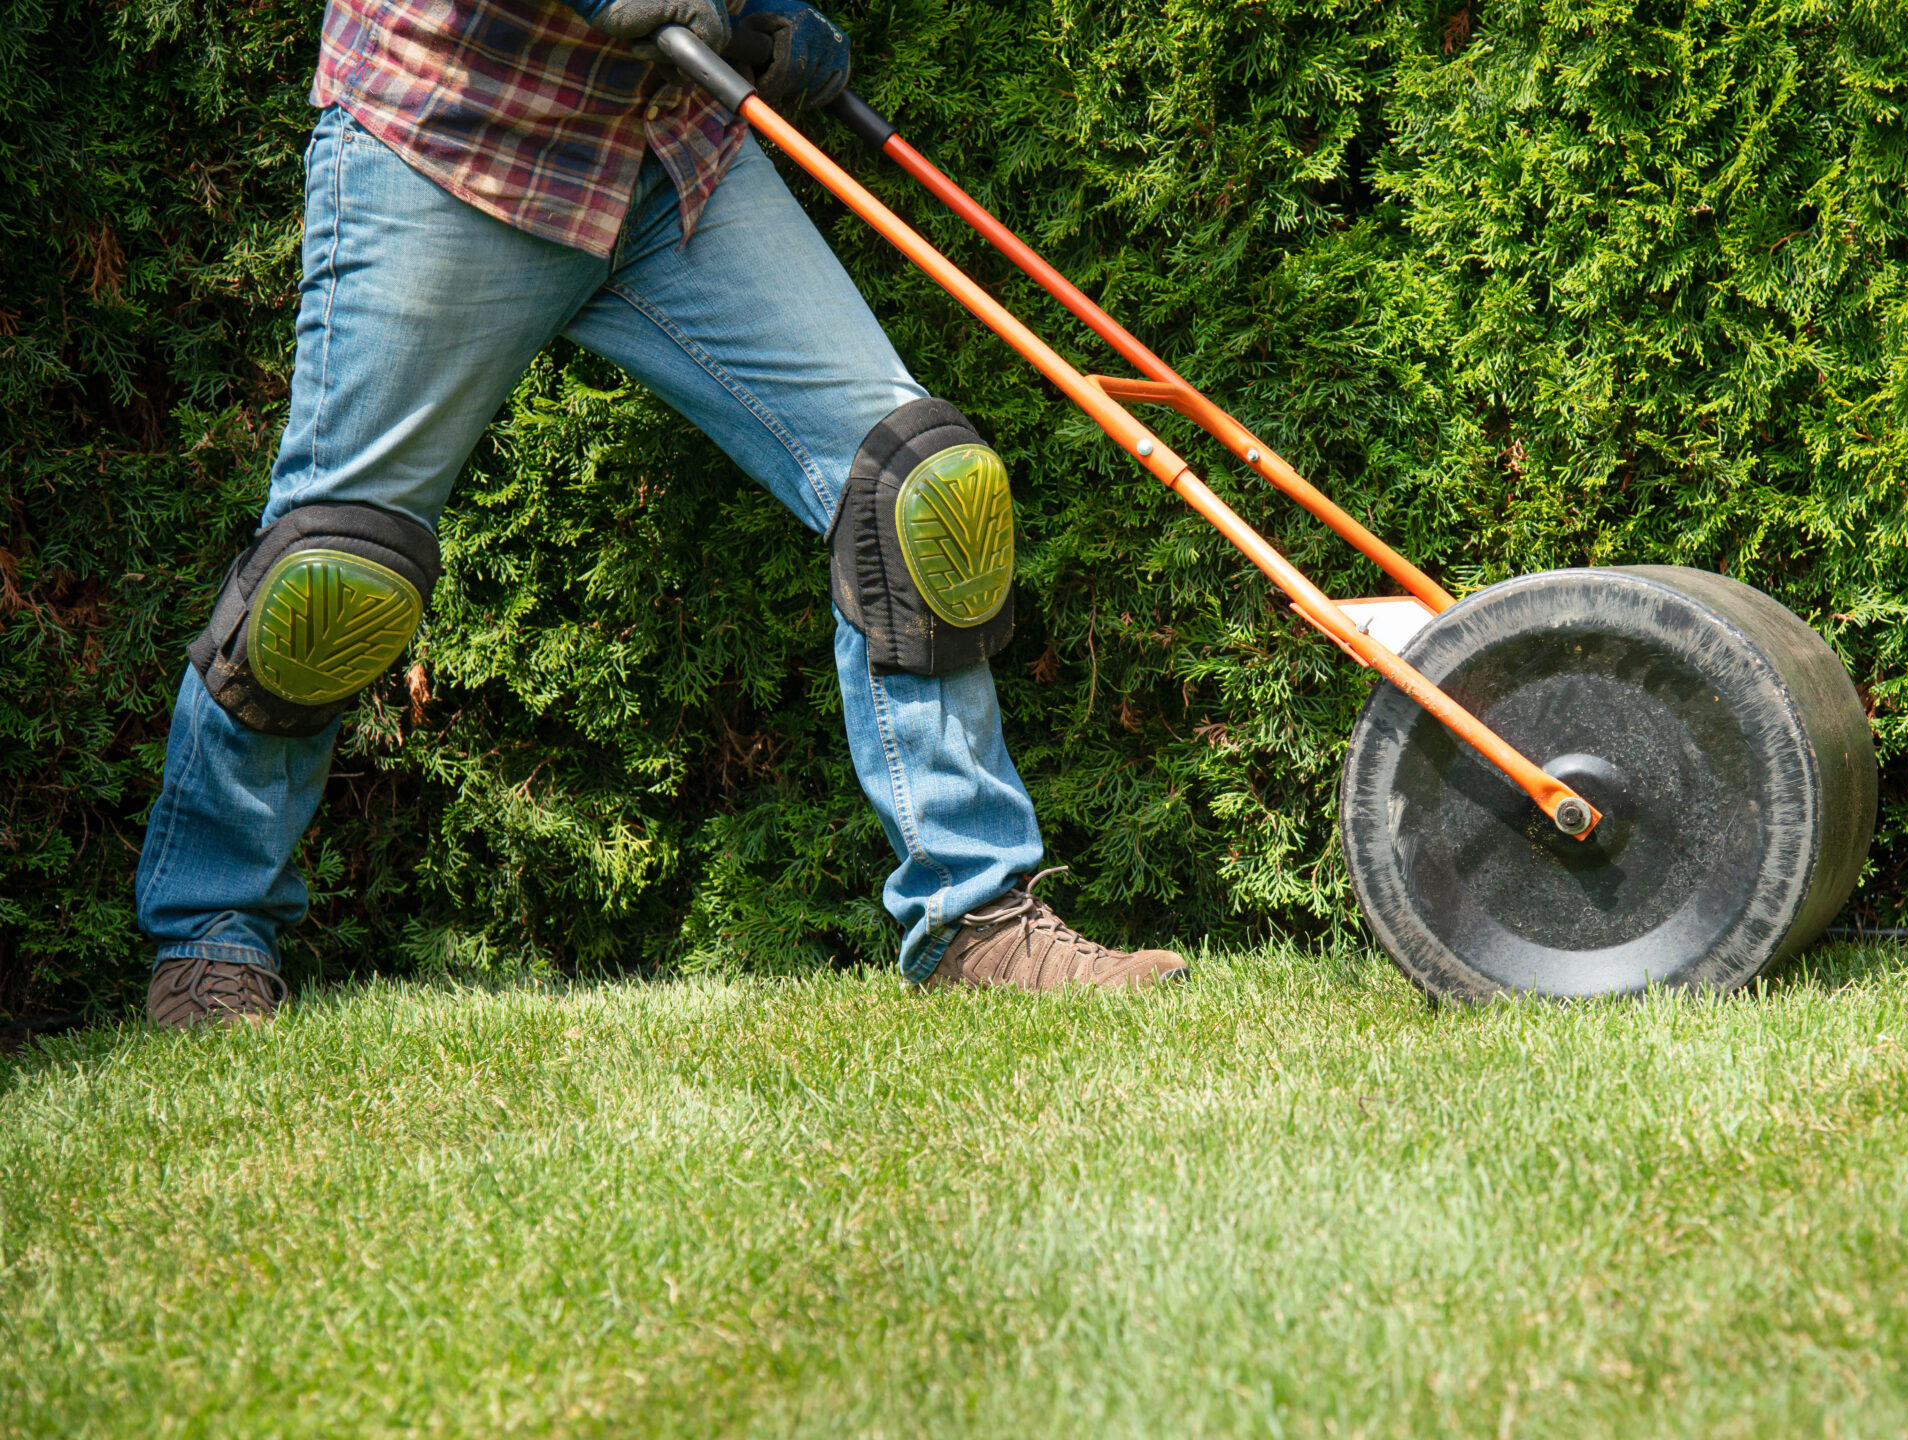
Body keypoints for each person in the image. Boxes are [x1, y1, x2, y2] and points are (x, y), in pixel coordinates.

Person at [133, 0, 1187, 1030]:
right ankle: (209, 936)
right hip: (451, 143)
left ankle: (978, 920)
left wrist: (765, 14)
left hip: (672, 151)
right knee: (329, 578)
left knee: (918, 488)